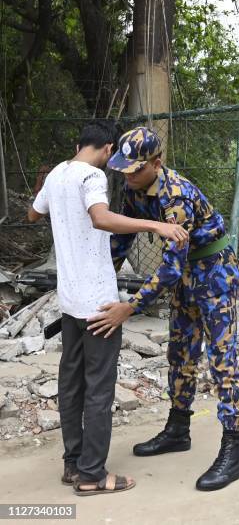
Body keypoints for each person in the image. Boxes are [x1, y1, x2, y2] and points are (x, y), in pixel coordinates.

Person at [27, 120, 188, 496]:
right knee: (99, 390)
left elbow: (34, 215)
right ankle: (92, 475)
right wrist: (156, 226)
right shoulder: (91, 177)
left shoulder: (57, 176)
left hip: (69, 302)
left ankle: (73, 464)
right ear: (108, 148)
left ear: (79, 142)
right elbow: (100, 218)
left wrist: (46, 189)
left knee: (71, 385)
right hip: (100, 303)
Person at [87, 126, 239, 492]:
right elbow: (122, 239)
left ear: (156, 163)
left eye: (135, 169)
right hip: (188, 274)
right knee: (180, 353)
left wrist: (129, 307)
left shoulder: (175, 196)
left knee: (222, 359)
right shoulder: (134, 187)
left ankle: (232, 449)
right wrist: (101, 282)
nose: (127, 175)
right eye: (123, 169)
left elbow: (170, 268)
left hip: (215, 273)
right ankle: (178, 429)